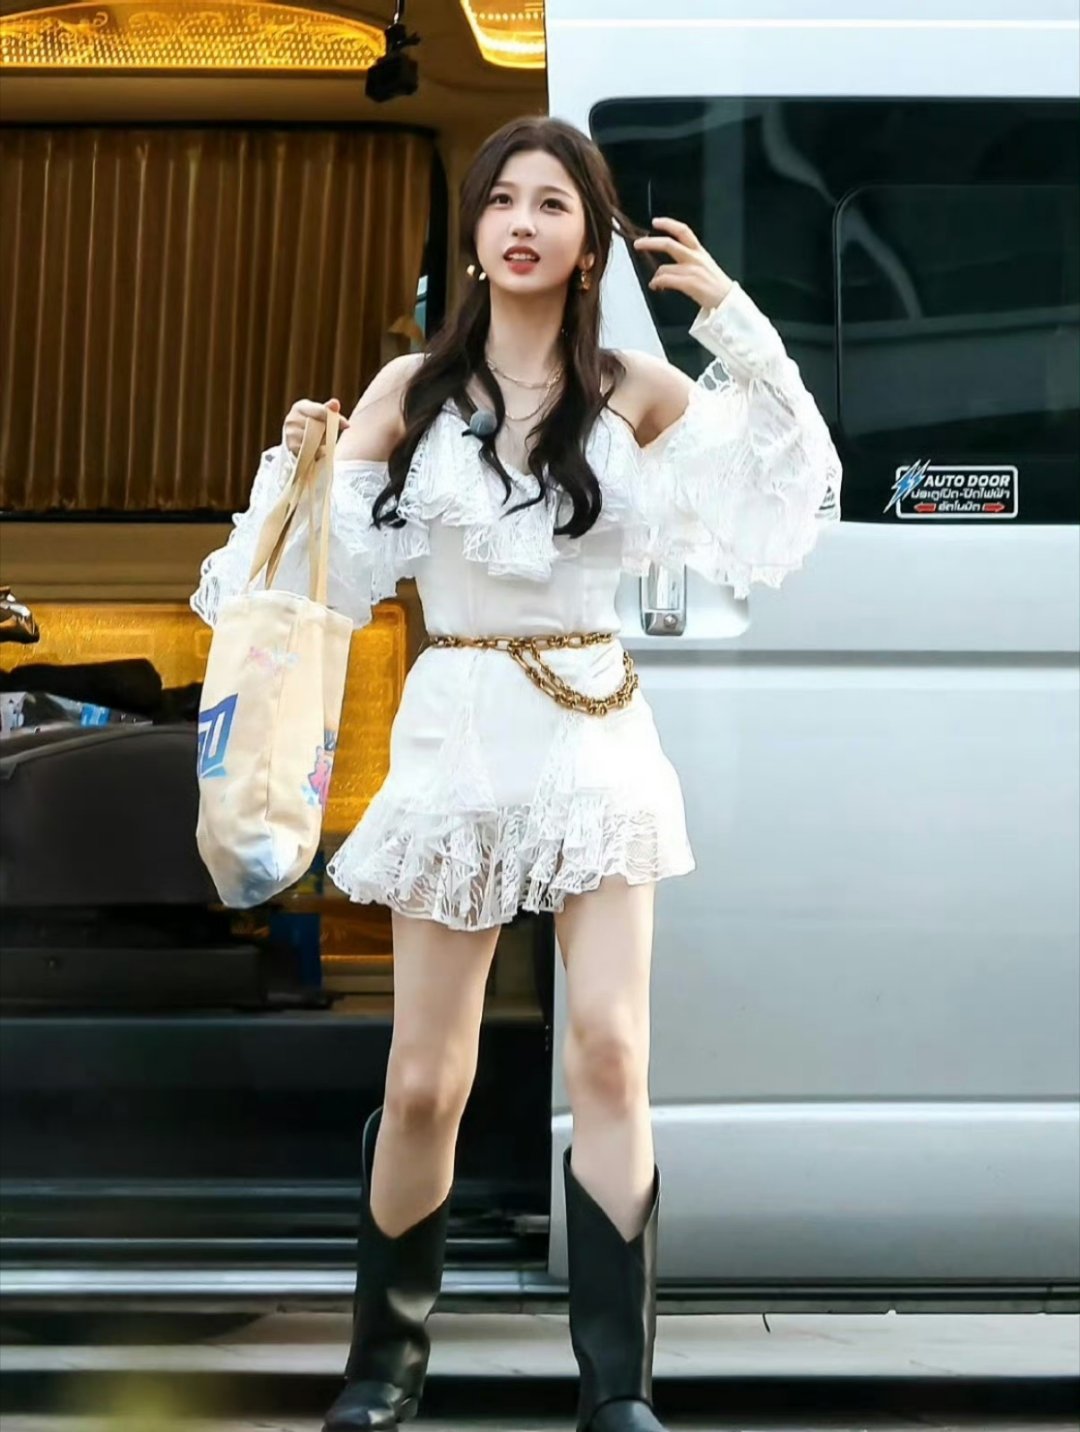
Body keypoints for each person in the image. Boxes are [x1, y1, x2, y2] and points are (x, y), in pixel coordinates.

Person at [191, 115, 841, 1432]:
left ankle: (617, 1387)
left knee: (610, 1051)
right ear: (477, 234)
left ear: (589, 239)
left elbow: (791, 488)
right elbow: (301, 589)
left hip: (596, 730)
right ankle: (385, 1368)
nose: (523, 222)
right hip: (458, 728)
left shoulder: (635, 391)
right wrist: (301, 469)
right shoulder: (408, 393)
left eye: (553, 202)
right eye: (502, 201)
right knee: (426, 1078)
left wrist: (731, 320)